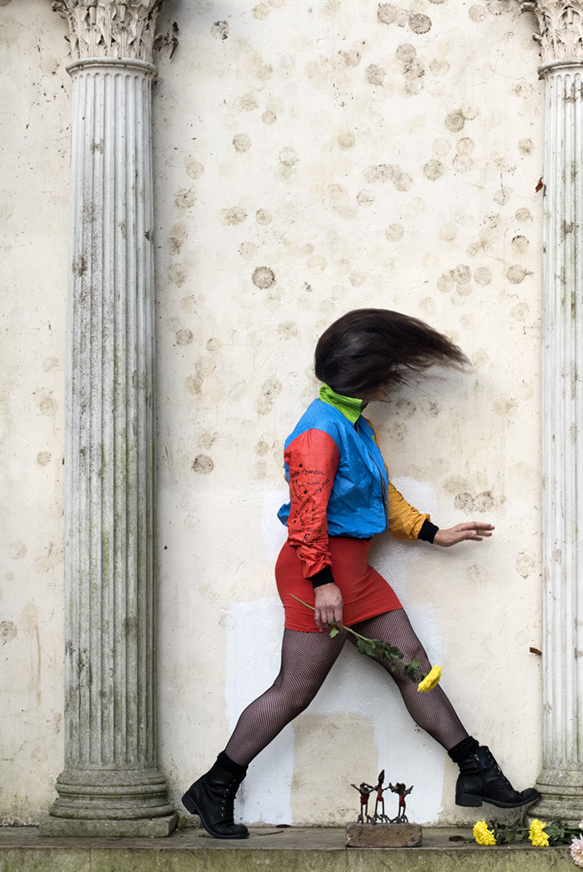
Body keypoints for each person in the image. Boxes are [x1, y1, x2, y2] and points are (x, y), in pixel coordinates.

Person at [181, 308, 540, 839]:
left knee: (413, 666)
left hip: (354, 572)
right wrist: (322, 582)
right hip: (317, 573)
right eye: (386, 369)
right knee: (294, 690)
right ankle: (214, 787)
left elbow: (380, 494)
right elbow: (306, 518)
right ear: (363, 374)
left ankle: (475, 771)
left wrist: (433, 533)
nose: (393, 379)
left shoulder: (354, 424)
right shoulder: (319, 432)